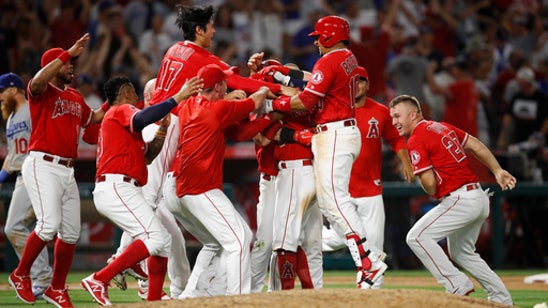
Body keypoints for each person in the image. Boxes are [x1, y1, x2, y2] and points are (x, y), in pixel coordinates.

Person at [258, 15, 387, 289]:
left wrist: (273, 105)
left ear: (329, 36)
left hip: (335, 133)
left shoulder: (329, 60)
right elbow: (316, 80)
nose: (316, 41)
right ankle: (368, 263)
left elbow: (306, 101)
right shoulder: (348, 58)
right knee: (332, 203)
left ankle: (369, 263)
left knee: (336, 202)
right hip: (344, 132)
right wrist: (288, 73)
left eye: (318, 37)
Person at [80, 75, 202, 305]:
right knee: (156, 238)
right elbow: (142, 117)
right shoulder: (119, 110)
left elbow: (148, 156)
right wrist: (179, 96)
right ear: (126, 93)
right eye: (134, 93)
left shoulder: (127, 129)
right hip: (116, 185)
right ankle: (100, 278)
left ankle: (153, 296)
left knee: (163, 240)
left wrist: (163, 131)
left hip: (124, 186)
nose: (136, 99)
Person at [8, 34, 108, 307]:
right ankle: (20, 274)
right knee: (48, 225)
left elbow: (94, 118)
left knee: (71, 233)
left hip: (67, 170)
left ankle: (57, 288)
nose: (72, 66)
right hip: (42, 164)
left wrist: (114, 98)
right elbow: (38, 81)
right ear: (54, 64)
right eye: (67, 63)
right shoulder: (41, 91)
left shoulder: (75, 96)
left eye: (73, 62)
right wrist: (65, 53)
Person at [388, 94, 514, 305]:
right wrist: (497, 170)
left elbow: (430, 185)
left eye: (397, 116)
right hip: (478, 197)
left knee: (416, 237)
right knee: (462, 252)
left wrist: (418, 174)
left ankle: (455, 282)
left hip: (460, 199)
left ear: (413, 115)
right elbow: (475, 144)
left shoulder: (416, 139)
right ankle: (502, 299)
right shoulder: (441, 126)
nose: (394, 122)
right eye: (392, 117)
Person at [166, 63, 272, 296]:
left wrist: (267, 117)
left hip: (177, 187)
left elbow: (239, 133)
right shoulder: (217, 109)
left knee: (216, 243)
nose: (229, 84)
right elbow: (255, 101)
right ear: (218, 87)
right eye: (225, 82)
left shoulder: (188, 104)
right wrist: (265, 89)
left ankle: (190, 296)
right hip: (199, 188)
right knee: (240, 240)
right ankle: (238, 299)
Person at [321, 66, 414, 289]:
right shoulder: (335, 110)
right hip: (340, 189)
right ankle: (306, 240)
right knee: (340, 237)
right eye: (354, 81)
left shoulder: (381, 111)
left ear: (368, 84)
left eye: (362, 81)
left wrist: (406, 162)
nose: (358, 85)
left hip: (370, 190)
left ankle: (369, 293)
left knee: (374, 247)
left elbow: (396, 139)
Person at [0, 73, 52, 299]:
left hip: (37, 171)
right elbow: (13, 154)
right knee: (18, 228)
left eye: (2, 92)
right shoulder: (10, 118)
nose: (0, 97)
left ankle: (42, 277)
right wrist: (2, 175)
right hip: (22, 175)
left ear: (13, 90)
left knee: (19, 227)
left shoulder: (32, 108)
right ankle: (41, 276)